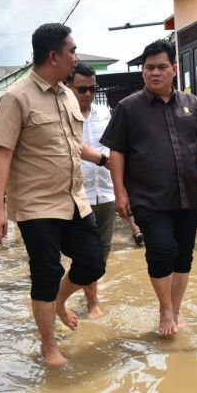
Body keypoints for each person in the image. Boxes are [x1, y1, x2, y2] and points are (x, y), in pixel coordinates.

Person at [0, 23, 108, 367]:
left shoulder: (68, 95)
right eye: (72, 50)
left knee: (93, 262)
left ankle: (58, 301)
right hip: (36, 205)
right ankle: (49, 346)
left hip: (73, 199)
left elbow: (71, 145)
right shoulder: (16, 98)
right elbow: (3, 154)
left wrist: (102, 158)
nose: (77, 57)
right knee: (45, 272)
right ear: (54, 55)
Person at [101, 41, 197, 336]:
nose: (155, 73)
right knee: (161, 250)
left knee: (184, 254)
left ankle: (176, 309)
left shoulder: (192, 104)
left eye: (162, 67)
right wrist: (120, 192)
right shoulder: (128, 108)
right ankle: (164, 308)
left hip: (189, 194)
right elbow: (116, 153)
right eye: (149, 68)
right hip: (148, 197)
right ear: (143, 72)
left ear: (174, 69)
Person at [65, 62, 143, 319]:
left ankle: (93, 289)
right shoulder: (63, 116)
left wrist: (124, 187)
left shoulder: (105, 113)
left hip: (107, 191)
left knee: (104, 248)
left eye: (91, 89)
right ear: (69, 87)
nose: (87, 94)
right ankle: (91, 301)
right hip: (77, 193)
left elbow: (117, 149)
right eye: (82, 89)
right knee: (86, 250)